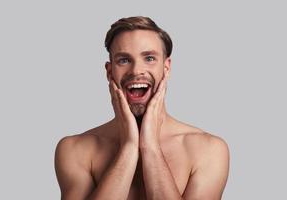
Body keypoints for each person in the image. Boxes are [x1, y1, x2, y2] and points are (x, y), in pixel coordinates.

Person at [54, 16, 230, 200]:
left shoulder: (209, 150)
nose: (137, 70)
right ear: (109, 71)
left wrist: (150, 147)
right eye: (124, 60)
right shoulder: (75, 149)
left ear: (166, 68)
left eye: (150, 58)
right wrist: (129, 148)